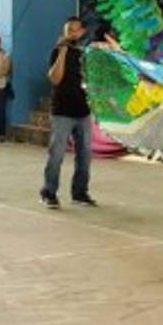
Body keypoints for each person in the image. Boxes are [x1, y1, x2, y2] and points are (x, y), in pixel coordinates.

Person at [40, 16, 97, 209]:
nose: (71, 33)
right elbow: (55, 79)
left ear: (82, 32)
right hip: (62, 111)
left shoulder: (86, 54)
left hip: (83, 111)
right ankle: (49, 192)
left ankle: (80, 193)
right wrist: (63, 51)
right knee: (56, 154)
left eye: (75, 29)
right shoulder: (57, 51)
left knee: (85, 155)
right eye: (68, 30)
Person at [0, 34, 11, 142]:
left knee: (1, 111)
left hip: (0, 87)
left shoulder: (5, 55)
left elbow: (5, 70)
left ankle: (1, 134)